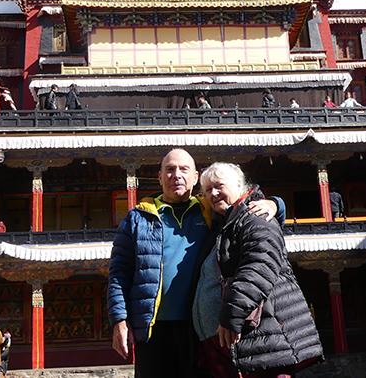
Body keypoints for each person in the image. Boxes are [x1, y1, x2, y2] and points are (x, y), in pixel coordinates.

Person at [107, 149, 278, 378]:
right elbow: (119, 273)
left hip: (197, 328)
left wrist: (275, 204)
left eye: (183, 169)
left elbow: (241, 207)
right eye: (169, 170)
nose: (176, 175)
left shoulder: (208, 211)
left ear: (195, 177)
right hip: (152, 329)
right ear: (159, 177)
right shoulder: (137, 218)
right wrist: (119, 319)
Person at [194, 163, 323, 377]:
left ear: (239, 184)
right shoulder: (223, 225)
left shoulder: (256, 217)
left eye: (219, 186)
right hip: (233, 344)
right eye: (207, 190)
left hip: (260, 341)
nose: (213, 194)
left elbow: (258, 267)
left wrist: (231, 317)